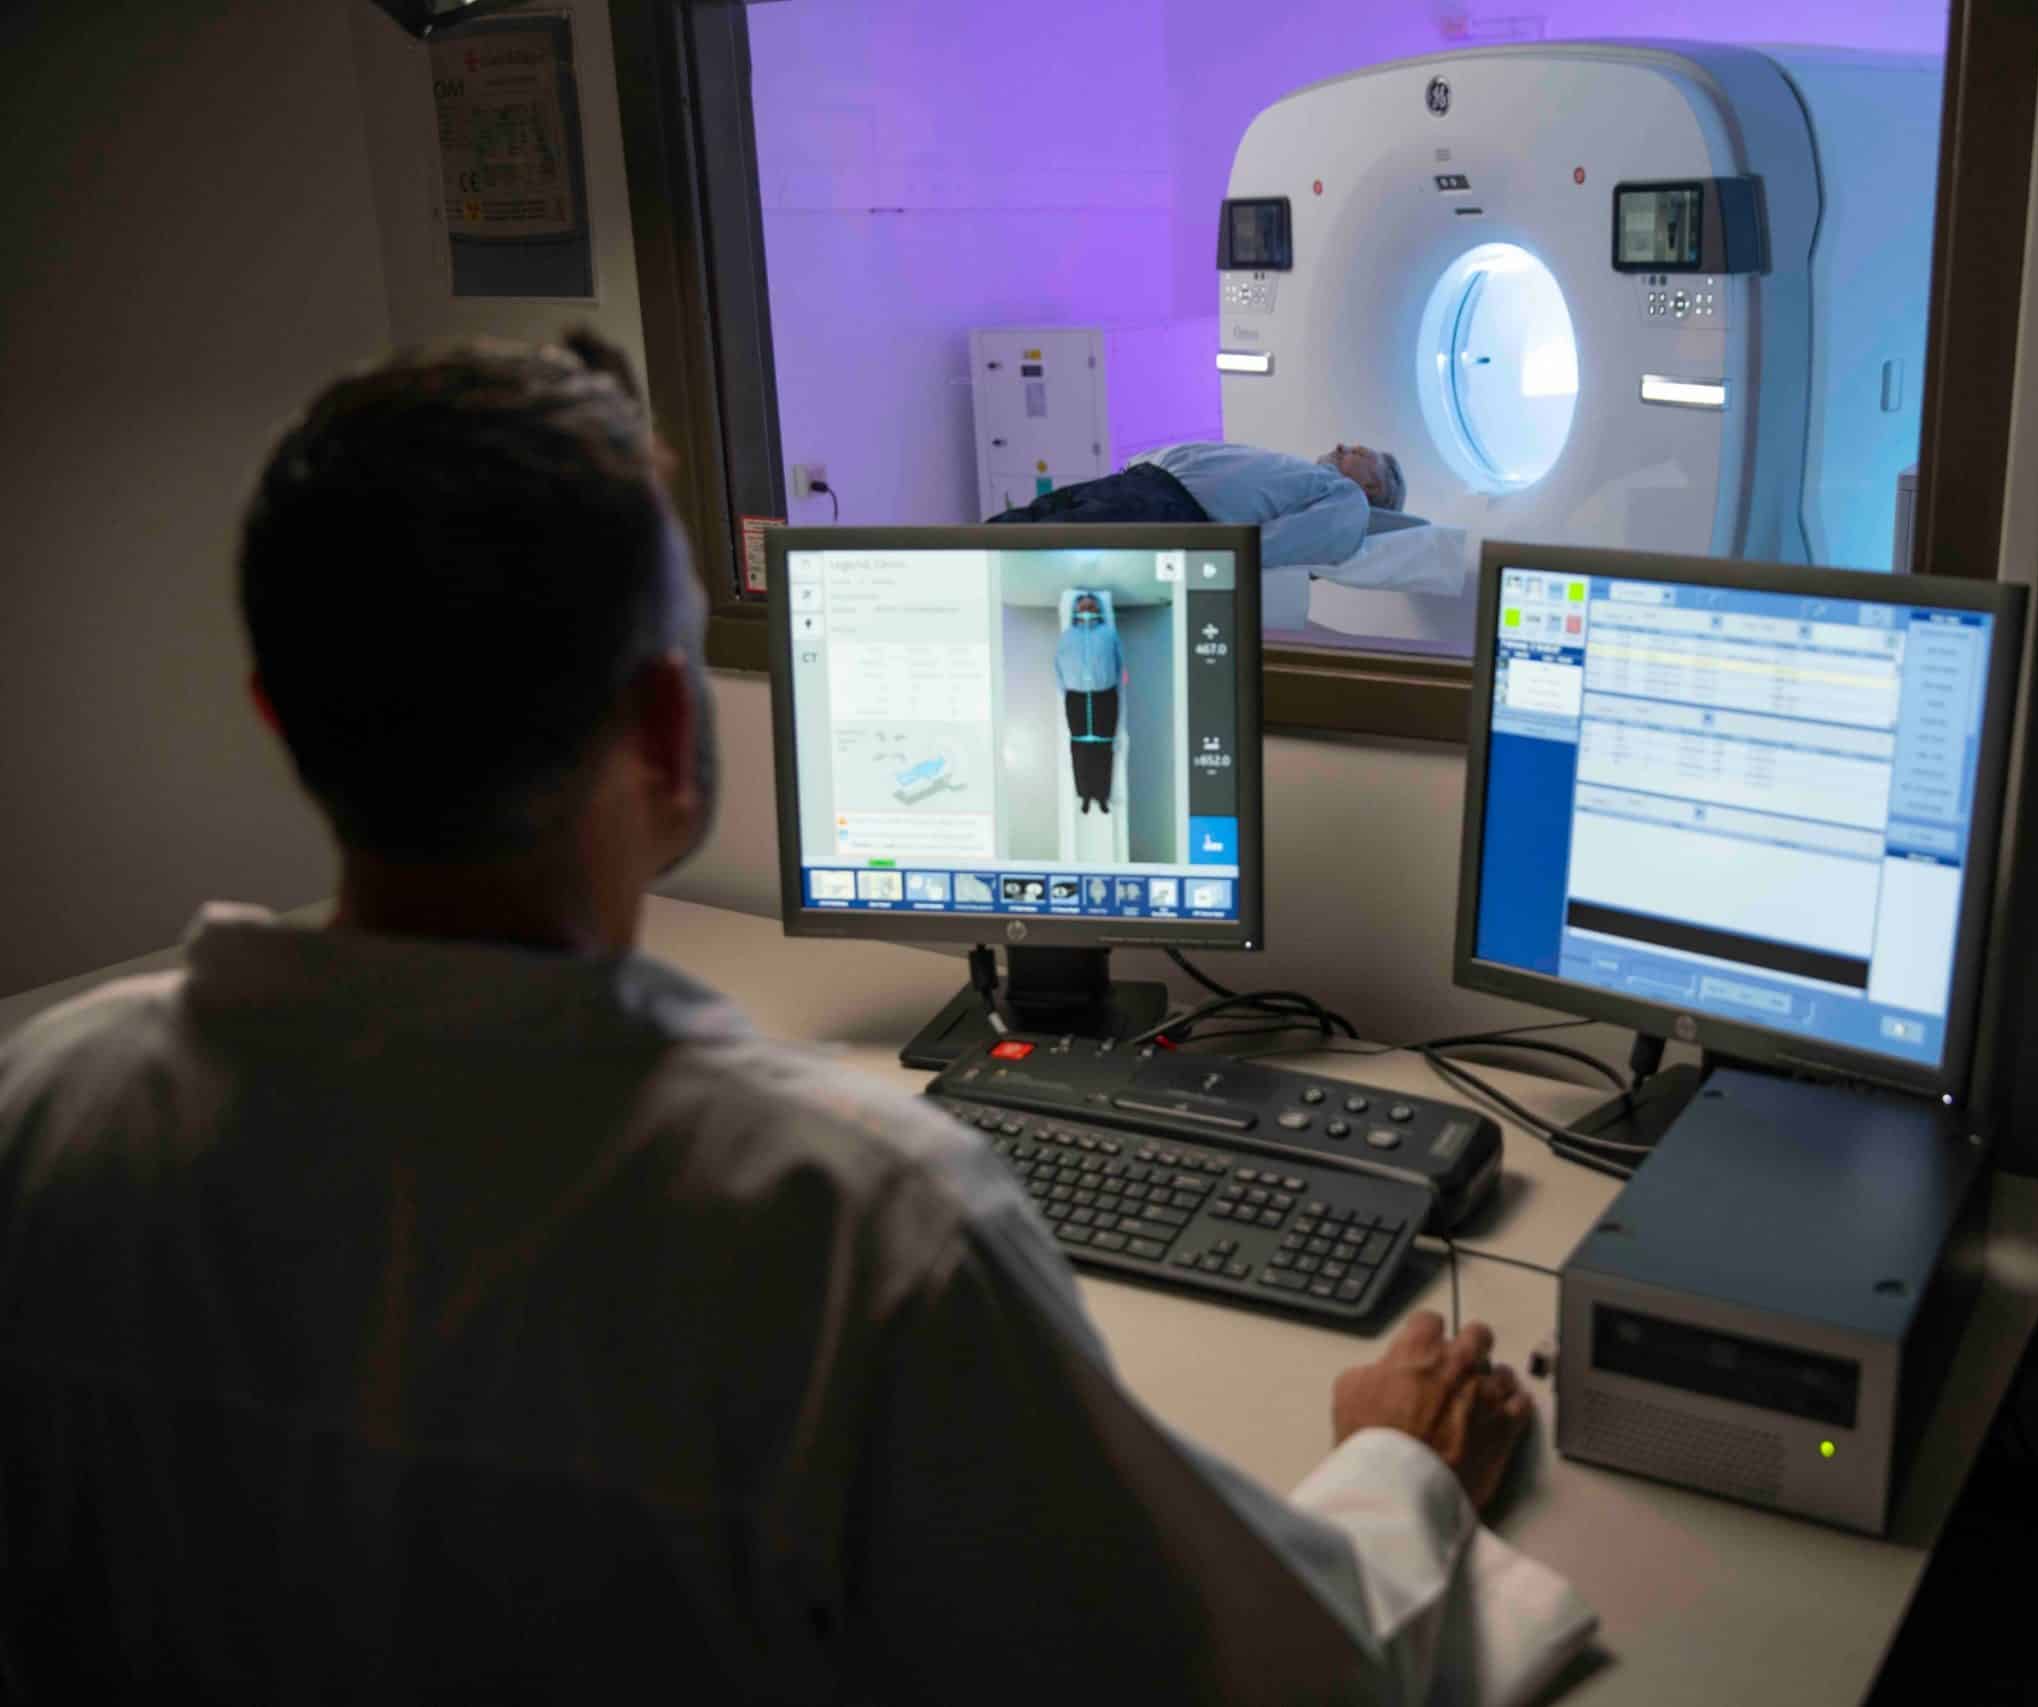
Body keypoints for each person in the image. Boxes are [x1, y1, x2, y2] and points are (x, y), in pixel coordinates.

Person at [0, 335, 1593, 1702]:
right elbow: (1277, 1674)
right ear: (671, 730)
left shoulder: (48, 1115)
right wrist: (1402, 1466)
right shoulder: (849, 1220)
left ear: (278, 715)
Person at [989, 440, 1408, 569]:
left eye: (1359, 452)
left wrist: (1215, 558)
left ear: (1371, 487)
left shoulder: (1349, 501)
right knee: (1025, 521)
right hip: (1141, 483)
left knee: (1038, 540)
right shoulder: (1303, 476)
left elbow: (1286, 542)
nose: (1342, 445)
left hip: (1169, 505)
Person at [1056, 587, 1123, 813]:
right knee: (1080, 747)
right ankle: (1084, 794)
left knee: (1103, 746)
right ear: (1076, 609)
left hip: (1105, 695)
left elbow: (1119, 664)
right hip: (1076, 696)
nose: (1087, 608)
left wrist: (1113, 684)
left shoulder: (1108, 634)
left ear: (1098, 608)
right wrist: (1067, 690)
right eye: (1083, 604)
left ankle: (1102, 795)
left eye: (1091, 605)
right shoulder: (1067, 636)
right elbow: (1057, 666)